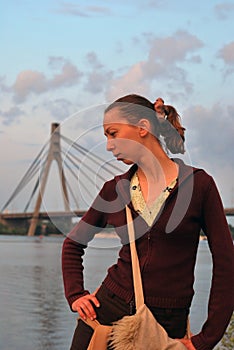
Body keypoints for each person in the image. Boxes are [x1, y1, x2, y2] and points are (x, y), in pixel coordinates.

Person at [62, 94, 234, 350]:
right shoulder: (115, 189)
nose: (109, 146)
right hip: (104, 319)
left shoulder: (199, 186)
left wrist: (207, 338)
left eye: (113, 133)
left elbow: (226, 262)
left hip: (165, 329)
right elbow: (72, 244)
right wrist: (76, 294)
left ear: (143, 127)